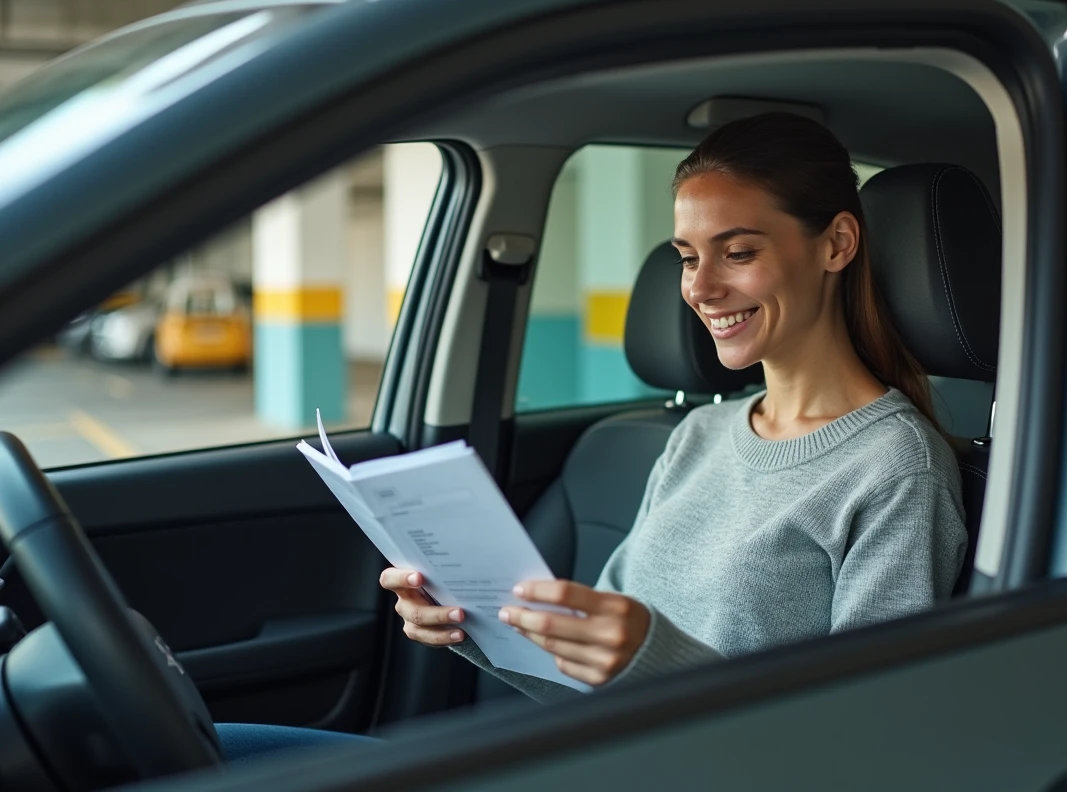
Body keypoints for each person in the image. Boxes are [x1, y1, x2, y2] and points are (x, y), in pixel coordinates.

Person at [214, 112, 968, 759]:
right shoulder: (697, 435)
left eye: (738, 252)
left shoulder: (895, 467)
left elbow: (866, 749)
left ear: (836, 244)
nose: (700, 288)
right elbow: (590, 673)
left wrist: (654, 661)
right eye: (687, 257)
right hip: (593, 759)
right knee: (213, 748)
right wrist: (471, 626)